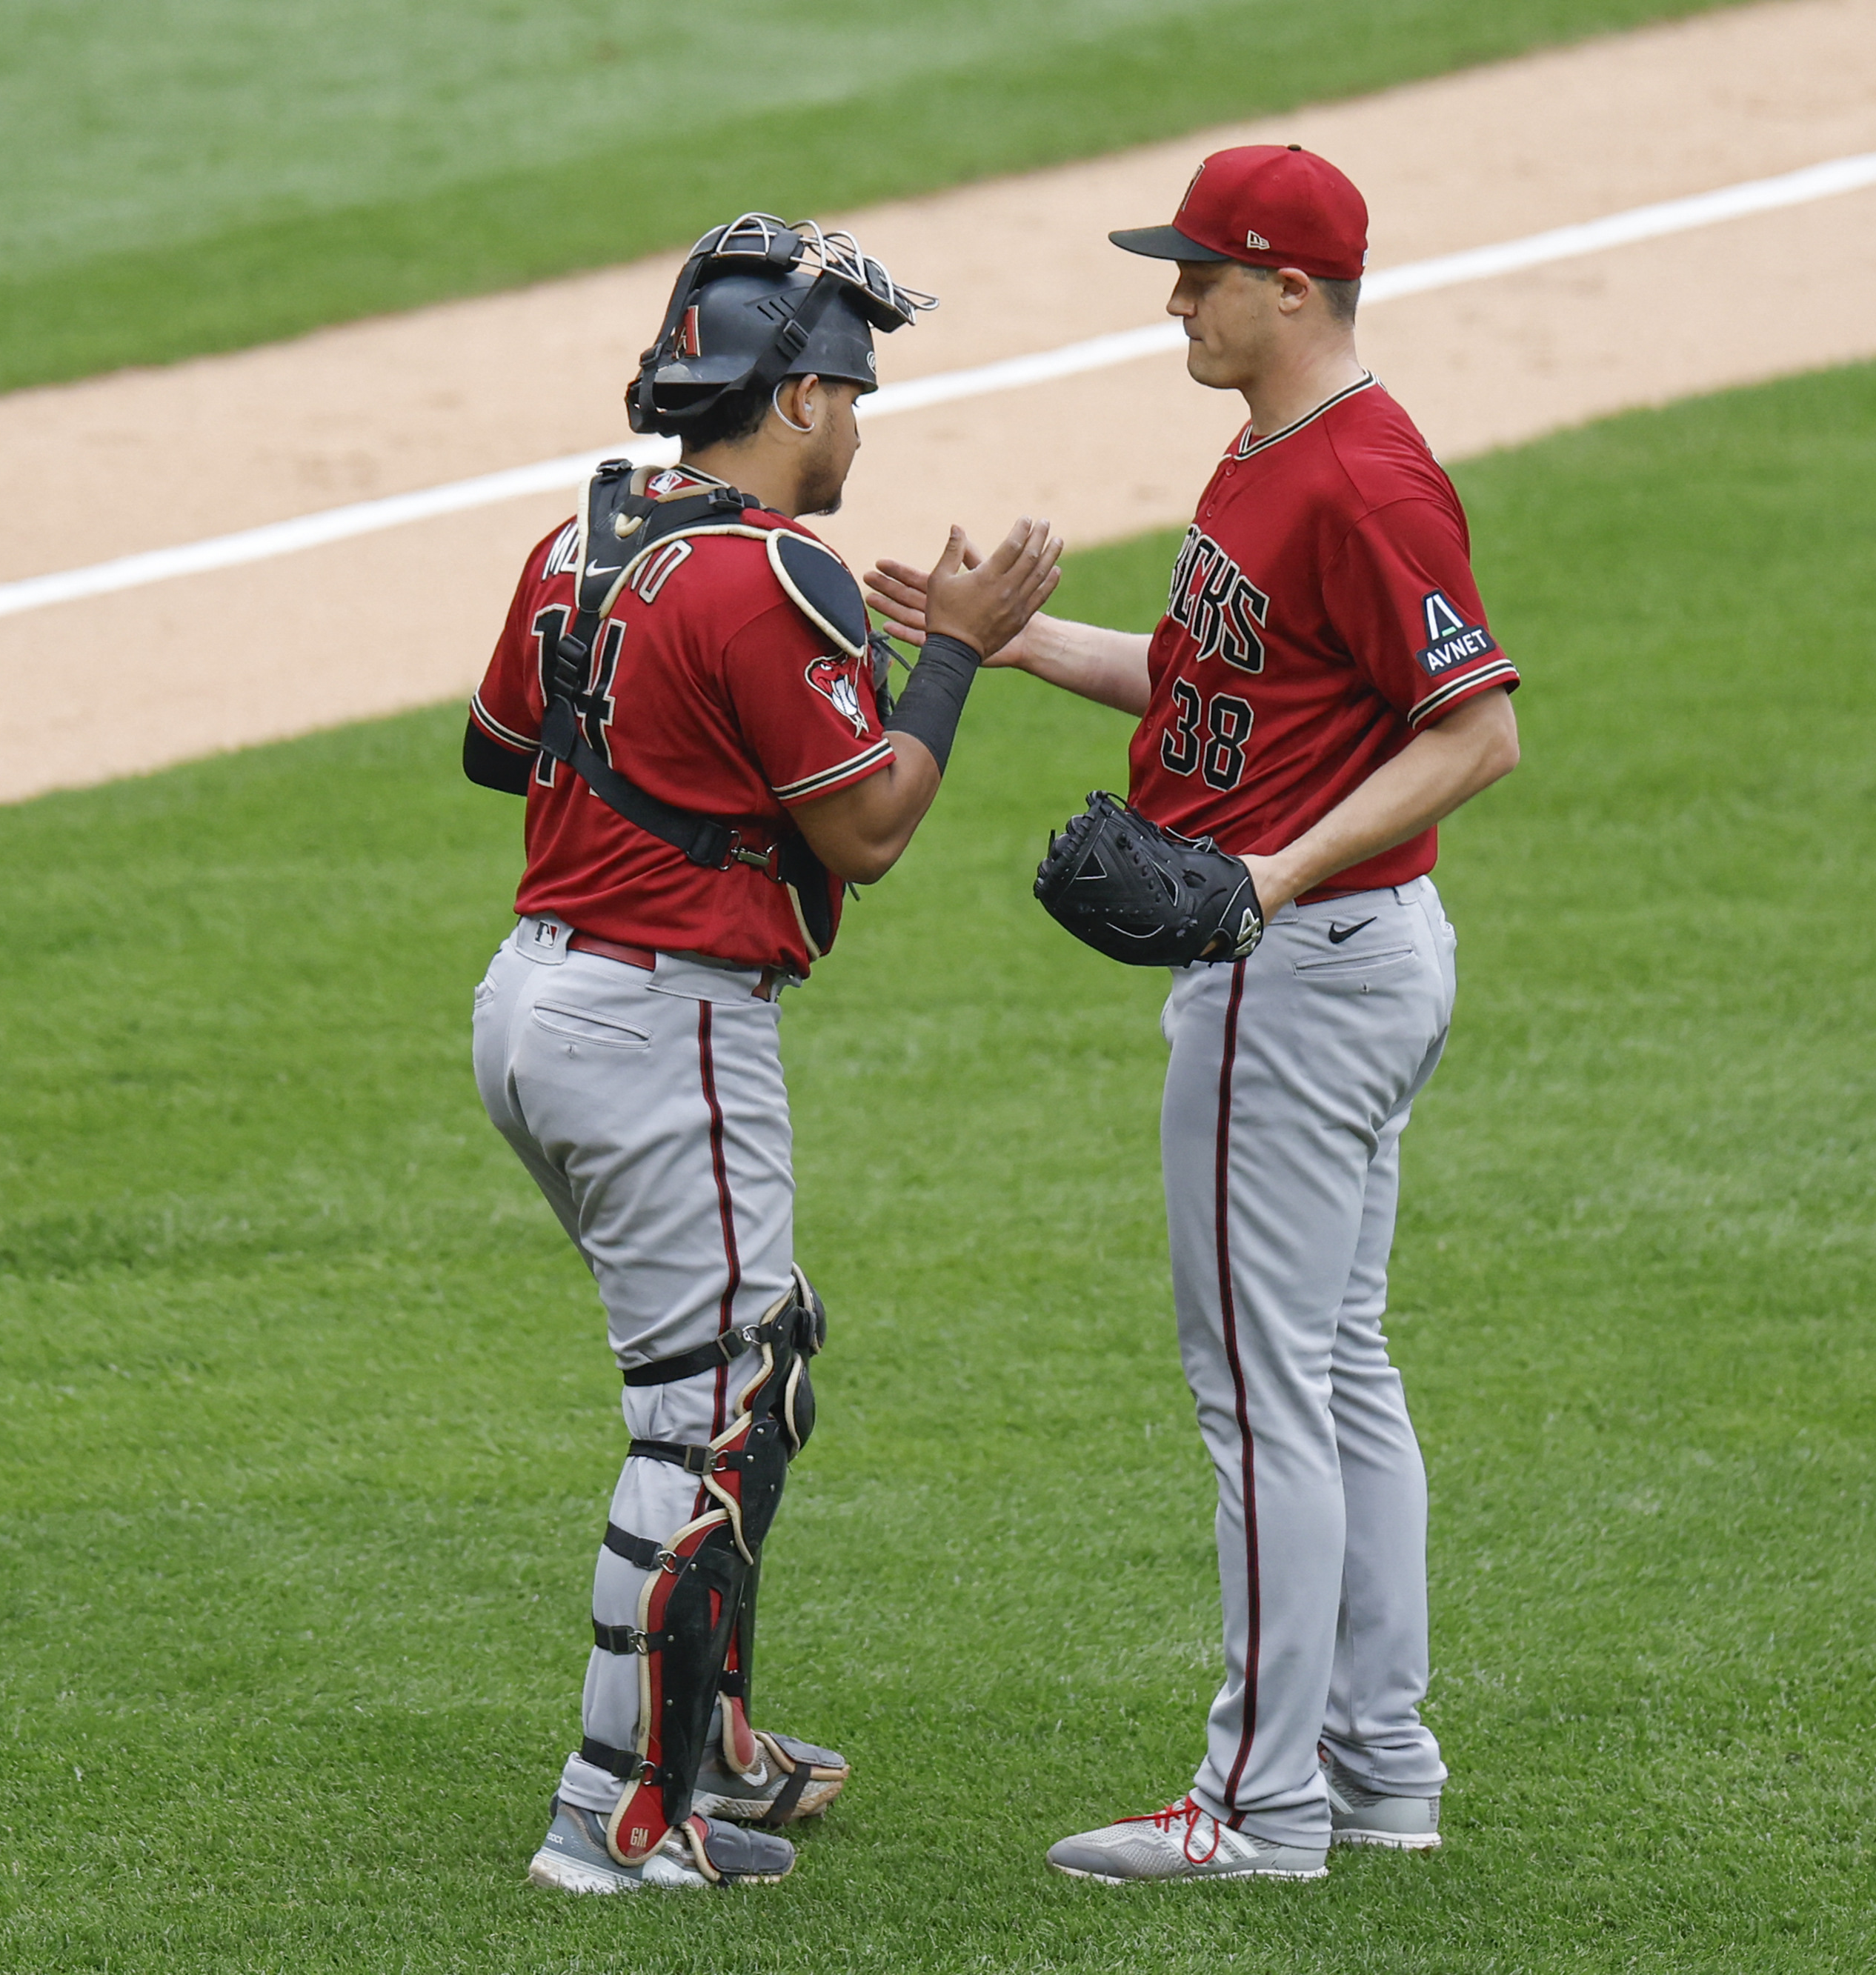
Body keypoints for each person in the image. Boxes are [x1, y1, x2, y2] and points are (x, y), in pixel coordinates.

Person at [868, 146, 1522, 1884]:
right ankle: (1377, 1763)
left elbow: (1473, 731)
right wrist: (993, 642)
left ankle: (1258, 1803)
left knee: (1259, 1396)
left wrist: (1267, 878)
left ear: (1287, 289)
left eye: (1199, 273)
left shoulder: (1366, 480)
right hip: (1339, 957)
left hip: (1298, 975)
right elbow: (1212, 677)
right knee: (1336, 1367)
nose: (1172, 296)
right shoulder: (1269, 454)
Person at [465, 213, 1062, 1893]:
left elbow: (494, 748)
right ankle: (616, 1816)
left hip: (528, 1001)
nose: (861, 427)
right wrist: (953, 643)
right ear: (792, 396)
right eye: (852, 394)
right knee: (708, 1410)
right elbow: (868, 826)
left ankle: (706, 1735)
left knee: (760, 1353)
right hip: (663, 1019)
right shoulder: (767, 567)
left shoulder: (577, 540)